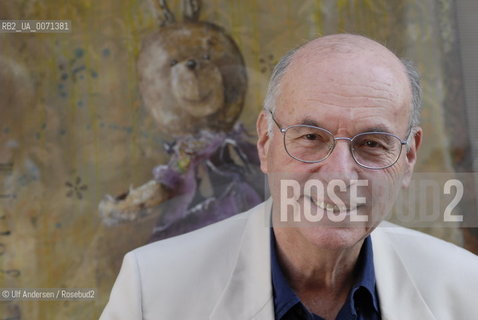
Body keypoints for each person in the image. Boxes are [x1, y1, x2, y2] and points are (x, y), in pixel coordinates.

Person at [100, 34, 478, 320]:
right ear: (265, 142)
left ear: (408, 156)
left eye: (372, 143)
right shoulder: (153, 288)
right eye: (311, 138)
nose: (340, 175)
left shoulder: (466, 288)